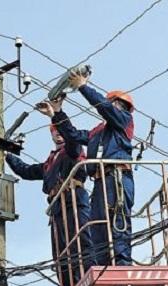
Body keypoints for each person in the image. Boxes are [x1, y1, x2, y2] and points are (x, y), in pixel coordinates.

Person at [40, 71, 135, 266]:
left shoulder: (123, 121)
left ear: (120, 106)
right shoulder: (98, 132)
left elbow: (104, 107)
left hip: (116, 177)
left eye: (114, 104)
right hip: (100, 181)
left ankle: (121, 264)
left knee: (116, 219)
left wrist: (82, 86)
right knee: (98, 225)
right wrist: (57, 112)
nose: (112, 107)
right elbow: (73, 135)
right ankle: (103, 265)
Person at [5, 121, 93, 286]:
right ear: (52, 134)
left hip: (73, 199)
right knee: (61, 252)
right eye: (55, 131)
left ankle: (88, 278)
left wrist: (57, 116)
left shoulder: (72, 149)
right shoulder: (50, 162)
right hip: (57, 206)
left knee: (80, 241)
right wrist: (7, 155)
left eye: (61, 131)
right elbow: (26, 171)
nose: (59, 134)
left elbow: (72, 140)